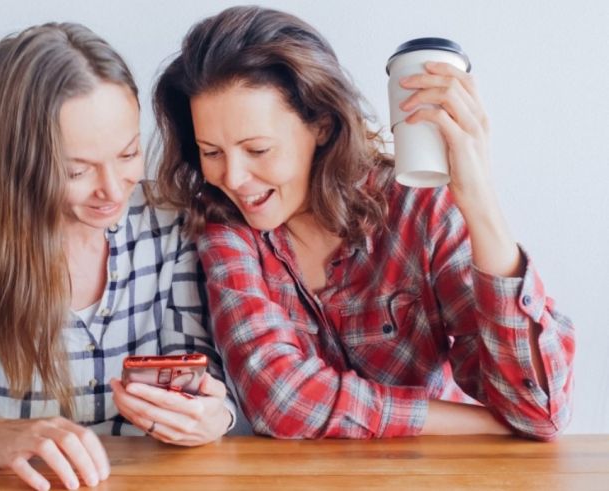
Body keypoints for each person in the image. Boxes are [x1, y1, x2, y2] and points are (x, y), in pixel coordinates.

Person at [0, 22, 235, 491]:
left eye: (128, 154)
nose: (113, 190)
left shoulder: (167, 222)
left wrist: (214, 413)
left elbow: (199, 370)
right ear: (20, 162)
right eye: (77, 170)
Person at [153, 6, 573, 441]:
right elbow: (279, 400)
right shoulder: (224, 220)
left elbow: (540, 411)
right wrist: (482, 422)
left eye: (257, 150)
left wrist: (480, 201)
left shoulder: (417, 208)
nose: (234, 178)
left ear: (322, 125)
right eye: (212, 152)